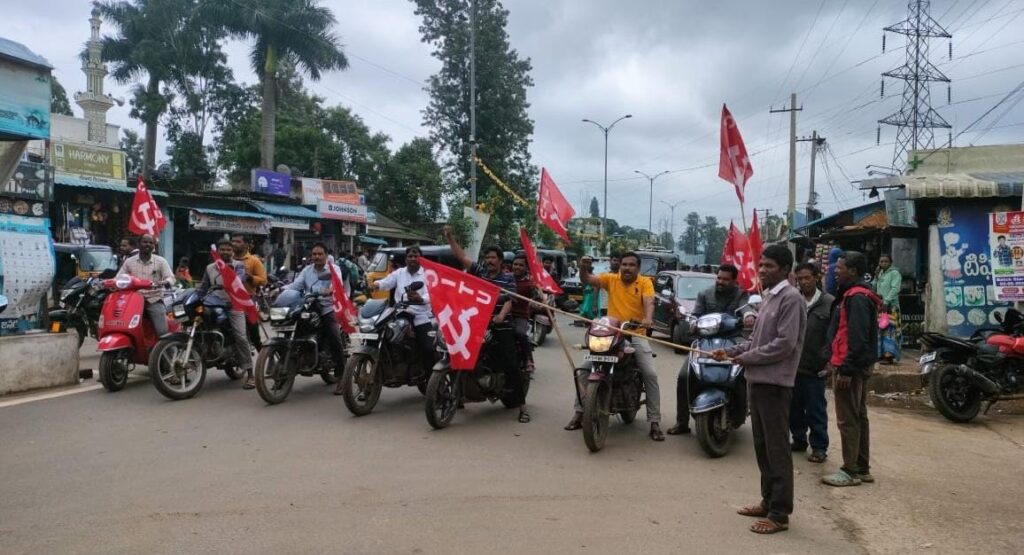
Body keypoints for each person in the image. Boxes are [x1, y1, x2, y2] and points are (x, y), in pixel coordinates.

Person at [713, 244, 806, 535]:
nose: (762, 270)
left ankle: (780, 514)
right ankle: (768, 501)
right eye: (761, 265)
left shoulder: (791, 299)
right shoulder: (769, 297)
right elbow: (754, 340)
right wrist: (730, 352)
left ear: (784, 269)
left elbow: (784, 344)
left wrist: (745, 357)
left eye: (768, 266)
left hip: (775, 383)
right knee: (763, 446)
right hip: (757, 380)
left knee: (777, 448)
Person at [565, 252, 664, 441]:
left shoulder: (645, 282)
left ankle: (654, 421)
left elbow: (649, 301)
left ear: (638, 268)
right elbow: (587, 279)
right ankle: (579, 412)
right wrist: (583, 267)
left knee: (649, 373)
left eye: (631, 265)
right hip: (611, 333)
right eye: (624, 264)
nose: (627, 268)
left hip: (635, 333)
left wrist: (648, 319)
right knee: (585, 370)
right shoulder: (611, 279)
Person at [445, 226, 529, 423]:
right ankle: (458, 394)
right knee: (458, 350)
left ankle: (522, 407)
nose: (489, 261)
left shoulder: (508, 277)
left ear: (500, 261)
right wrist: (450, 238)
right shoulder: (480, 271)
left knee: (510, 363)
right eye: (487, 257)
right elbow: (462, 257)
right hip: (478, 322)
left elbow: (509, 299)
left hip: (501, 325)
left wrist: (500, 316)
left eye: (493, 257)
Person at [668, 264, 750, 436]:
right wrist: (692, 323)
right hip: (706, 340)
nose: (721, 281)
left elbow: (747, 309)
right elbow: (696, 315)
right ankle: (682, 422)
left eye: (725, 279)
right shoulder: (704, 294)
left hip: (733, 340)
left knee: (742, 375)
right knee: (684, 376)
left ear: (734, 281)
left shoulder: (742, 295)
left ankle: (739, 415)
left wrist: (749, 317)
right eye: (719, 278)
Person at [822, 251, 879, 488]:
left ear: (853, 271)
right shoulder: (858, 295)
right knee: (859, 416)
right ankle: (862, 467)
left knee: (848, 419)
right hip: (856, 365)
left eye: (840, 267)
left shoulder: (856, 298)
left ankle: (850, 470)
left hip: (850, 367)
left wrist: (845, 369)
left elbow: (857, 338)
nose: (836, 271)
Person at [285, 242, 348, 390]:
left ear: (326, 256)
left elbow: (336, 283)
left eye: (320, 254)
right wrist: (280, 290)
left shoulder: (334, 269)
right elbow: (296, 286)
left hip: (328, 307)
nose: (317, 257)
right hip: (308, 305)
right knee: (294, 329)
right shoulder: (307, 270)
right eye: (314, 254)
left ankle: (341, 376)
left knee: (334, 337)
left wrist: (329, 290)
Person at [790, 262, 834, 464]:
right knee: (793, 406)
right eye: (800, 279)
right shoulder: (793, 300)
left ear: (816, 277)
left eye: (807, 278)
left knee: (816, 408)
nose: (803, 282)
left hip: (816, 366)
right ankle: (799, 439)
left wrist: (829, 361)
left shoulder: (828, 303)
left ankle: (819, 446)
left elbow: (833, 336)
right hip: (792, 365)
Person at [198, 239, 255, 388]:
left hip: (234, 306)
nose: (225, 252)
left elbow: (240, 281)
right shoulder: (210, 267)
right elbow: (203, 288)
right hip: (214, 304)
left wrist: (228, 271)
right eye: (222, 249)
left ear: (232, 252)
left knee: (241, 337)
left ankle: (250, 374)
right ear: (217, 251)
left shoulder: (238, 266)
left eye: (228, 250)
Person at [370, 245, 435, 377]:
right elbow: (386, 282)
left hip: (420, 315)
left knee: (428, 348)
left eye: (415, 256)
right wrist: (376, 284)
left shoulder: (428, 275)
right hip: (400, 313)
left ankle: (431, 382)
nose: (412, 259)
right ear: (406, 259)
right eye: (410, 256)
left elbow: (433, 294)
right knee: (379, 332)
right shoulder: (399, 273)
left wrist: (420, 299)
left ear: (420, 258)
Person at [116, 234, 175, 337]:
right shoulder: (129, 262)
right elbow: (119, 278)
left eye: (150, 242)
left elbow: (171, 277)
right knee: (120, 324)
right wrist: (108, 282)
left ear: (154, 246)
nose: (147, 244)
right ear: (139, 244)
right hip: (133, 300)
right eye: (145, 242)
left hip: (154, 299)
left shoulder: (161, 261)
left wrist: (166, 282)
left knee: (162, 332)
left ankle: (166, 350)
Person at [231, 233, 267, 352]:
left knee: (252, 326)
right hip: (227, 298)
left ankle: (258, 348)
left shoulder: (254, 261)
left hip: (248, 298)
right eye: (233, 241)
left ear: (246, 244)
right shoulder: (227, 259)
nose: (234, 244)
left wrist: (250, 278)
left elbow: (263, 281)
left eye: (238, 241)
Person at [509, 254, 541, 373]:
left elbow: (538, 300)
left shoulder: (530, 283)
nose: (517, 267)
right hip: (503, 314)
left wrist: (535, 301)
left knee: (520, 333)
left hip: (520, 316)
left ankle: (528, 359)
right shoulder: (506, 278)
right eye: (515, 264)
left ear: (526, 267)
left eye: (521, 265)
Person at [873, 254, 902, 364]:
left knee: (890, 331)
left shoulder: (895, 273)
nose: (883, 263)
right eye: (881, 262)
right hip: (881, 306)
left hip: (891, 307)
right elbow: (874, 288)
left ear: (890, 262)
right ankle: (881, 354)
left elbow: (895, 289)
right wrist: (876, 277)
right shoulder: (880, 273)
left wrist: (886, 301)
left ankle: (889, 356)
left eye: (886, 261)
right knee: (881, 330)